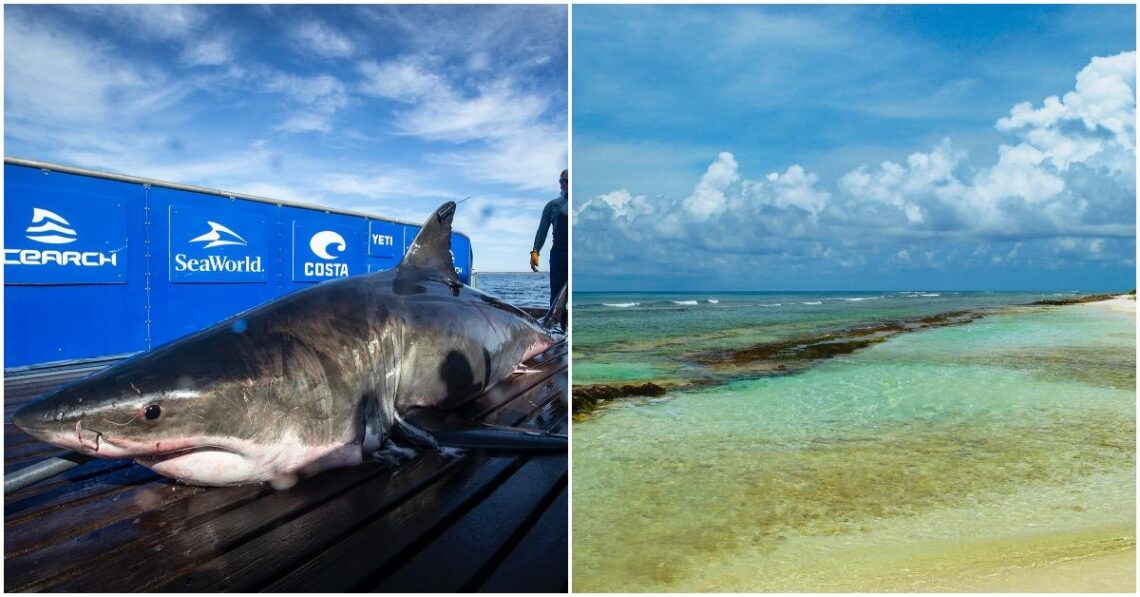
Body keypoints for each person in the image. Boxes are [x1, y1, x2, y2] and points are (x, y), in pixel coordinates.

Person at [531, 169, 568, 327]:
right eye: (562, 181)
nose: (565, 184)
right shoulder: (552, 205)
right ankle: (559, 329)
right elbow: (542, 231)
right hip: (558, 254)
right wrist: (535, 252)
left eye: (568, 181)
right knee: (556, 295)